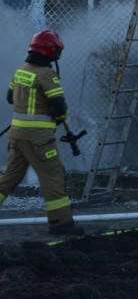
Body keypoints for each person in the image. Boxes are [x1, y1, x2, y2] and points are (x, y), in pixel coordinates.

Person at [0, 30, 84, 235]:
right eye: (56, 51)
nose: (58, 55)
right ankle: (61, 224)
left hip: (17, 136)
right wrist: (56, 115)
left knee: (9, 177)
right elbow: (59, 108)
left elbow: (11, 98)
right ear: (49, 51)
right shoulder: (46, 74)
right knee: (53, 175)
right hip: (38, 139)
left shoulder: (22, 70)